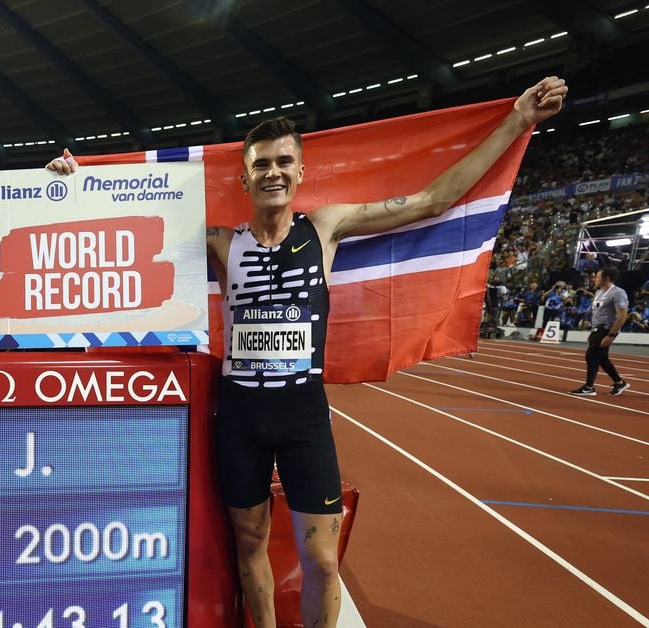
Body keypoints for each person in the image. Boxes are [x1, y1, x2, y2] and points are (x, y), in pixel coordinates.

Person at [48, 75, 566, 628]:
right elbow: (130, 225)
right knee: (249, 547)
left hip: (302, 419)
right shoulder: (223, 243)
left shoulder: (326, 227)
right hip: (240, 416)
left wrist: (518, 119)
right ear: (244, 177)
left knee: (321, 560)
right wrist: (77, 182)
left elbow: (432, 201)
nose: (272, 171)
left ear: (300, 172)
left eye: (282, 162)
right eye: (261, 164)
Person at [569, 267, 631, 396]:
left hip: (606, 329)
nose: (594, 279)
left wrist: (611, 335)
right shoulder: (598, 292)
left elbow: (622, 315)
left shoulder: (618, 292)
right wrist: (592, 330)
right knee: (602, 358)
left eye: (597, 276)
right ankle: (619, 382)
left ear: (606, 278)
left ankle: (589, 387)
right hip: (597, 329)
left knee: (591, 356)